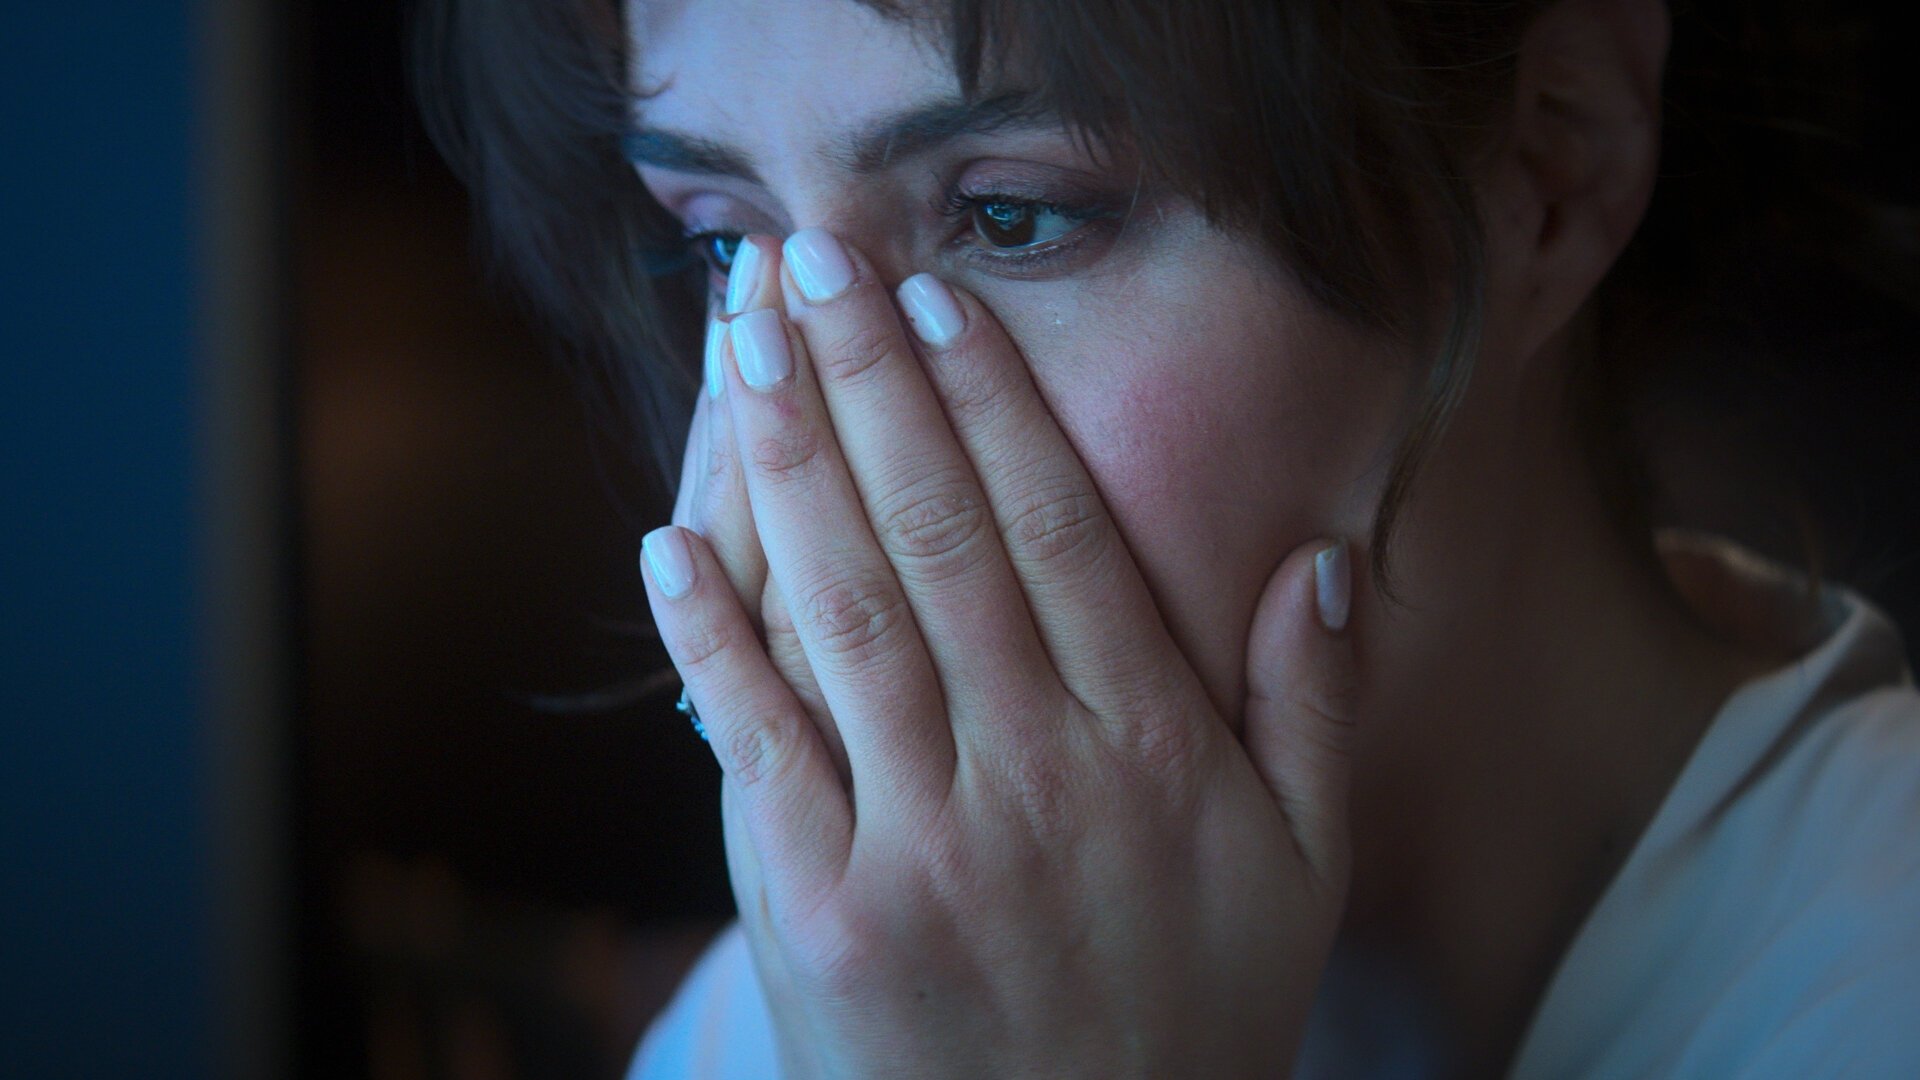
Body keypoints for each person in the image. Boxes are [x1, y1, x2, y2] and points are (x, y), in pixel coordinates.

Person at [415, 0, 1920, 1074]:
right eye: (723, 242)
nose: (818, 450)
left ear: (1551, 169)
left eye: (1013, 217)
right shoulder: (835, 1001)